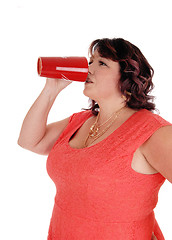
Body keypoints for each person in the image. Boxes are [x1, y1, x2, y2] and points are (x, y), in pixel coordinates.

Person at [18, 38, 172, 240]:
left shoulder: (152, 131)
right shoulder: (80, 121)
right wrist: (51, 89)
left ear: (127, 76)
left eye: (102, 63)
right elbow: (29, 141)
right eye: (91, 61)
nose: (89, 68)